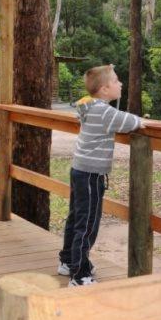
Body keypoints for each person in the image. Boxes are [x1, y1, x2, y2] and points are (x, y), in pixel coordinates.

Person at [58, 64, 144, 286]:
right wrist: (142, 121)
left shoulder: (89, 107)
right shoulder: (104, 112)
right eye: (116, 81)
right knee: (87, 224)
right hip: (91, 175)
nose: (121, 83)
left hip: (79, 170)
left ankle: (68, 260)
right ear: (105, 89)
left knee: (76, 218)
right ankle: (79, 274)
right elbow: (131, 122)